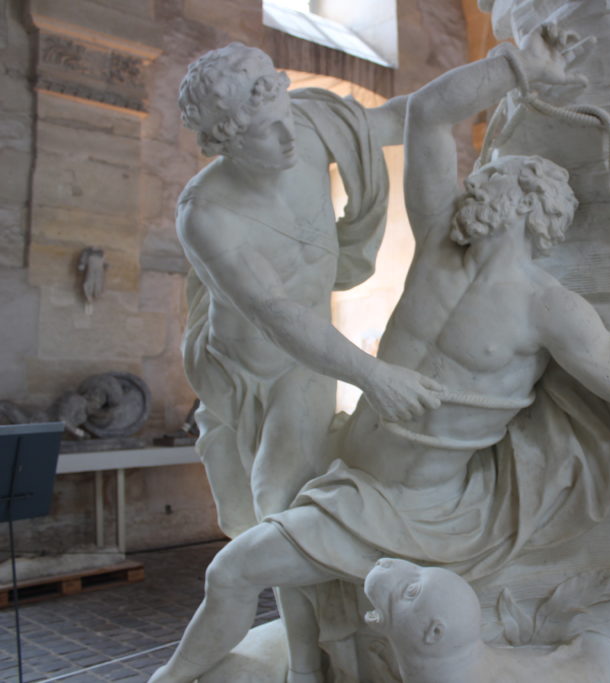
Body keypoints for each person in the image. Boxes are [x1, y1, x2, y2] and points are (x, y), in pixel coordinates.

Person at [151, 30, 610, 683]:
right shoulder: (441, 240)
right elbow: (427, 114)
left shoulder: (548, 307)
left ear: (532, 201)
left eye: (497, 171)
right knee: (233, 564)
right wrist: (515, 66)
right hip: (355, 482)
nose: (479, 176)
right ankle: (179, 678)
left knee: (242, 561)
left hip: (432, 507)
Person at [175, 43, 443, 679]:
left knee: (285, 509)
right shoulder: (206, 213)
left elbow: (412, 112)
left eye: (285, 115)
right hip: (236, 372)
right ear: (224, 142)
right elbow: (274, 313)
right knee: (249, 517)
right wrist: (374, 375)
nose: (288, 138)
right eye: (267, 133)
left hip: (304, 365)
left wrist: (514, 74)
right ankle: (311, 652)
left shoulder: (308, 122)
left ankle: (307, 661)